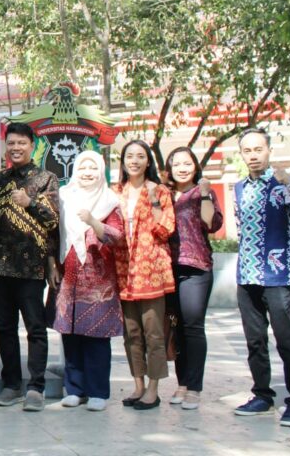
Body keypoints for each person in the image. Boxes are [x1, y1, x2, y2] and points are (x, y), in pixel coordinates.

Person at [232, 128, 290, 427]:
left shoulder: (284, 183)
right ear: (241, 154)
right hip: (248, 276)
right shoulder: (239, 187)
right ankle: (262, 395)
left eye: (258, 149)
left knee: (286, 340)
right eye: (247, 150)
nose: (253, 155)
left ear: (268, 151)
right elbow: (242, 229)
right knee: (255, 341)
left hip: (278, 276)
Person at [0, 122, 59, 412]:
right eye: (11, 143)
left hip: (31, 267)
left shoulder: (46, 178)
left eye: (22, 143)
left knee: (35, 328)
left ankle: (36, 387)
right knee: (4, 327)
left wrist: (30, 203)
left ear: (32, 145)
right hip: (0, 267)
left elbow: (53, 223)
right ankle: (12, 384)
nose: (16, 148)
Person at [52, 151, 124, 412]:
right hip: (69, 273)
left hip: (98, 279)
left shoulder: (109, 200)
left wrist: (94, 221)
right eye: (83, 167)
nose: (87, 172)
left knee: (96, 335)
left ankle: (97, 392)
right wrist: (51, 263)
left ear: (101, 170)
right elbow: (53, 232)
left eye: (93, 167)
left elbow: (117, 236)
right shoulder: (63, 197)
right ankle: (74, 389)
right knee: (70, 333)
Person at [113, 139, 175, 411]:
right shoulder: (117, 191)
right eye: (129, 156)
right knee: (131, 334)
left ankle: (153, 388)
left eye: (140, 156)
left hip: (150, 273)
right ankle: (137, 385)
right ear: (123, 161)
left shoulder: (158, 190)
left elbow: (166, 230)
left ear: (148, 161)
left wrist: (153, 200)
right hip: (124, 272)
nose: (134, 161)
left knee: (153, 334)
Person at [165, 147, 223, 410]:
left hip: (196, 267)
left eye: (187, 163)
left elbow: (211, 223)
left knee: (193, 326)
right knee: (176, 327)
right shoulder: (164, 194)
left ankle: (195, 388)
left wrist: (204, 193)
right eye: (177, 163)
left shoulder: (203, 192)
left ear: (195, 166)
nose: (182, 168)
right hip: (168, 268)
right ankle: (182, 384)